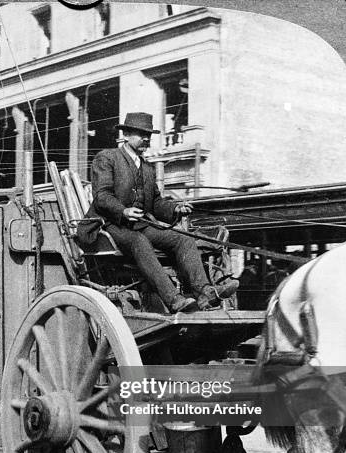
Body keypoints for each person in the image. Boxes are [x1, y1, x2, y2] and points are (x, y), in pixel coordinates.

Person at [77, 112, 238, 313]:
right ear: (126, 134)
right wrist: (124, 210)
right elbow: (102, 196)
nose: (146, 138)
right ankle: (174, 300)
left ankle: (205, 292)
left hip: (139, 226)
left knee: (183, 239)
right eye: (141, 133)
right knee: (138, 241)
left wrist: (175, 208)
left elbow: (155, 203)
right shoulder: (107, 158)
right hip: (108, 225)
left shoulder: (147, 168)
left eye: (149, 135)